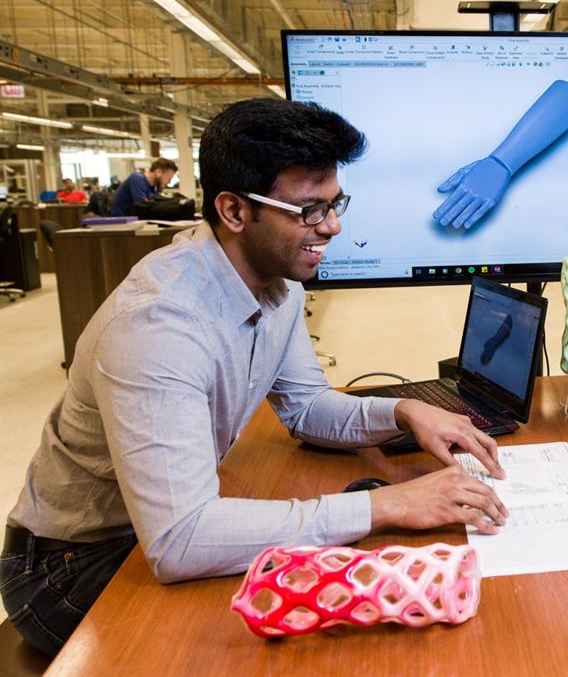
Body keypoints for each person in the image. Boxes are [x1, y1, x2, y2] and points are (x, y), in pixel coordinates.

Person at [1, 98, 509, 656]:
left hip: (157, 527)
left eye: (335, 203)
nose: (333, 226)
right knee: (300, 634)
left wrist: (404, 412)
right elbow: (181, 540)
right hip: (71, 565)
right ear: (235, 211)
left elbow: (307, 407)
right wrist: (387, 506)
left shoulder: (276, 283)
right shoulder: (158, 327)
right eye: (310, 210)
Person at [109, 157, 178, 216]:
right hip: (122, 223)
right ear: (158, 172)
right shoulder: (137, 179)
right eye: (169, 178)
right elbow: (143, 207)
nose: (169, 182)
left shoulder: (152, 187)